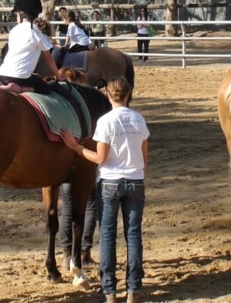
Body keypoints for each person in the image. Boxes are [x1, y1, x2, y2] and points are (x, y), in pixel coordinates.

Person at [60, 77, 149, 303]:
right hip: (135, 180)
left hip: (109, 182)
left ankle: (109, 290)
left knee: (108, 235)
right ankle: (134, 289)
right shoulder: (139, 120)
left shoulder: (105, 122)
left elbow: (100, 158)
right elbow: (144, 160)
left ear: (108, 96)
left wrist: (76, 148)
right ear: (128, 95)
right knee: (133, 235)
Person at [0, 0, 65, 93]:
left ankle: (1, 85)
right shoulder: (36, 33)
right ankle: (17, 88)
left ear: (19, 14)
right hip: (19, 78)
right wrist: (58, 76)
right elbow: (48, 58)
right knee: (44, 88)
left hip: (2, 75)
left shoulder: (14, 30)